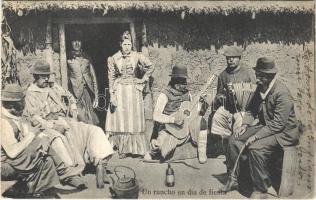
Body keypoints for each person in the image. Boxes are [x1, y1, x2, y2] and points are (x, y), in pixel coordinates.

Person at [23, 60, 114, 188]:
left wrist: (74, 110)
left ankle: (101, 166)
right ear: (36, 77)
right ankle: (70, 174)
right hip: (47, 125)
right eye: (43, 77)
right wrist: (53, 126)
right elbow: (34, 117)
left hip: (65, 120)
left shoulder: (53, 86)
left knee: (94, 130)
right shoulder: (30, 94)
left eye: (48, 76)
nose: (47, 79)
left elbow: (70, 96)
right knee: (58, 139)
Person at [222, 57, 300, 198]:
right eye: (257, 74)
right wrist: (244, 125)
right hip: (267, 127)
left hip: (284, 132)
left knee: (256, 148)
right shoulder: (260, 88)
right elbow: (251, 109)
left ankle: (261, 188)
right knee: (234, 139)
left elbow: (278, 124)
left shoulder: (281, 93)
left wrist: (256, 136)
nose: (257, 78)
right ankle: (235, 178)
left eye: (261, 75)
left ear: (269, 76)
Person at [1, 84, 86, 198]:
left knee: (48, 161)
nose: (23, 107)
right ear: (12, 105)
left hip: (16, 160)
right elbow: (12, 152)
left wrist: (42, 138)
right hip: (5, 165)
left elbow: (28, 133)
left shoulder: (14, 117)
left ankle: (28, 189)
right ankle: (63, 172)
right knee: (39, 145)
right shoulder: (3, 122)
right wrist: (34, 137)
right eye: (20, 105)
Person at [143, 64, 208, 163]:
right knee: (159, 148)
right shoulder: (164, 94)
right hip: (170, 129)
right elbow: (156, 116)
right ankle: (155, 150)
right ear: (174, 81)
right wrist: (173, 120)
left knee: (201, 122)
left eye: (184, 81)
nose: (183, 84)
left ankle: (202, 153)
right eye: (180, 81)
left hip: (186, 127)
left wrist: (202, 104)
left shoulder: (187, 93)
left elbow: (194, 112)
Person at [105, 31, 154, 159]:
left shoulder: (136, 56)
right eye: (124, 44)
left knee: (134, 118)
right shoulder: (114, 58)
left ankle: (136, 149)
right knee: (122, 119)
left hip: (133, 90)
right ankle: (123, 149)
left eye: (129, 44)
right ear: (120, 45)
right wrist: (112, 94)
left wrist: (143, 79)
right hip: (120, 89)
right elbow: (111, 77)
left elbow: (150, 66)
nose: (127, 47)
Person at [210, 46, 256, 138]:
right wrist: (221, 97)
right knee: (217, 117)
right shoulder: (223, 75)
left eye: (233, 57)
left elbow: (255, 92)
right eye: (228, 58)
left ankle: (234, 145)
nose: (230, 60)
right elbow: (219, 94)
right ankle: (223, 143)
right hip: (228, 108)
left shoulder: (248, 73)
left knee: (240, 125)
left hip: (244, 110)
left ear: (239, 58)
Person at [67, 30, 99, 125]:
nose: (77, 44)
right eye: (74, 41)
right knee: (79, 119)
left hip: (87, 93)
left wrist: (96, 96)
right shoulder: (67, 58)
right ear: (71, 43)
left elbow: (93, 77)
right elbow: (66, 78)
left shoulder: (87, 57)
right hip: (75, 93)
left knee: (90, 119)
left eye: (79, 41)